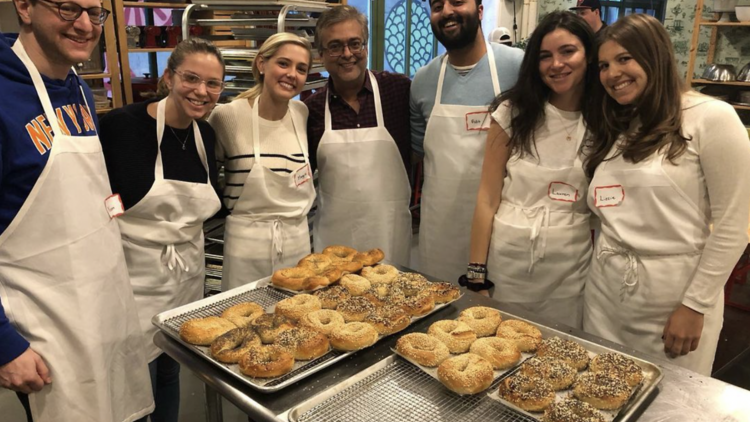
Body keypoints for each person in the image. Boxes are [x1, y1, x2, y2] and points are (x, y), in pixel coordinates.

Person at [0, 0, 154, 421]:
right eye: (69, 8)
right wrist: (4, 346)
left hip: (105, 307)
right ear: (26, 7)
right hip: (45, 327)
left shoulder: (79, 89)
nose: (85, 25)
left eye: (95, 12)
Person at [583, 13, 750, 375]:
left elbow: (733, 226)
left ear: (655, 55)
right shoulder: (618, 124)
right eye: (604, 65)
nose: (613, 73)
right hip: (604, 295)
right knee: (599, 393)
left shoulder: (712, 118)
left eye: (624, 59)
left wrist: (695, 305)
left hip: (673, 301)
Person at [99, 38, 223, 422]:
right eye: (191, 78)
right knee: (136, 380)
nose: (201, 92)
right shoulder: (122, 126)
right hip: (134, 278)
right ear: (169, 77)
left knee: (171, 367)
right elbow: (100, 197)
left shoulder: (207, 136)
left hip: (186, 274)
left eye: (213, 84)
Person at [467, 11, 596, 328]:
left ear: (589, 55)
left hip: (570, 265)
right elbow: (487, 197)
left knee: (560, 348)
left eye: (568, 51)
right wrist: (476, 275)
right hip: (510, 258)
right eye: (545, 56)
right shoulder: (514, 112)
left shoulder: (604, 120)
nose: (556, 64)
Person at [410, 0, 524, 282]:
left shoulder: (517, 69)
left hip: (502, 228)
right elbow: (418, 155)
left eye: (458, 2)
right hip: (440, 230)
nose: (447, 11)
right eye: (437, 6)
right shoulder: (422, 82)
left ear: (481, 10)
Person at [305, 5, 413, 266]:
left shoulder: (399, 92)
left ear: (365, 47)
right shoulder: (312, 109)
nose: (347, 54)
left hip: (389, 234)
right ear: (321, 55)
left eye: (355, 44)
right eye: (335, 46)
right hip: (334, 241)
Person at [209, 33, 315, 291]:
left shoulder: (301, 114)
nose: (292, 74)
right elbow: (208, 177)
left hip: (297, 244)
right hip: (247, 247)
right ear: (261, 64)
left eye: (301, 69)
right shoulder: (227, 116)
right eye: (283, 63)